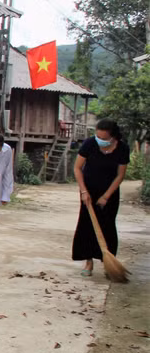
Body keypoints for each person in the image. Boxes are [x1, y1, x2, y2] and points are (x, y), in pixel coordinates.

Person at [72, 118, 129, 277]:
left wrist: (106, 196)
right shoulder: (90, 144)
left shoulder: (122, 148)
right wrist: (83, 191)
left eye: (104, 139)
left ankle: (108, 263)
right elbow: (77, 168)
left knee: (108, 226)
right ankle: (88, 263)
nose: (100, 141)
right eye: (98, 137)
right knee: (87, 225)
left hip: (109, 192)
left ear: (113, 137)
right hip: (88, 191)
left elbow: (120, 175)